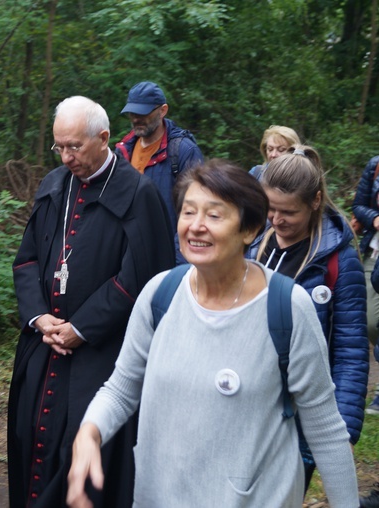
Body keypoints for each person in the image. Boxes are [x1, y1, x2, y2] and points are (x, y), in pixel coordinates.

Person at [66, 160, 359, 508]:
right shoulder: (160, 295)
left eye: (215, 215)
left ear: (249, 229)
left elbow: (325, 429)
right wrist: (89, 433)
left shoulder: (287, 307)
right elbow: (122, 388)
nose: (196, 226)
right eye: (188, 212)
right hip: (159, 497)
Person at [9, 96, 175, 507]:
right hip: (45, 346)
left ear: (103, 138)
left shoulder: (139, 194)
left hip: (104, 353)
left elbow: (143, 277)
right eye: (58, 146)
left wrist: (81, 328)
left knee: (84, 455)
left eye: (74, 147)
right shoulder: (53, 186)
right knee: (30, 439)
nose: (66, 157)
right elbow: (27, 259)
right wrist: (39, 317)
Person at [249, 145, 368, 490]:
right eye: (269, 208)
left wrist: (343, 430)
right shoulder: (254, 243)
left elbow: (350, 351)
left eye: (288, 212)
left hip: (301, 419)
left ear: (315, 201)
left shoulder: (338, 262)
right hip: (247, 407)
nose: (276, 220)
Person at [114, 80, 203, 230]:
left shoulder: (183, 151)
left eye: (143, 113)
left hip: (167, 249)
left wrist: (177, 252)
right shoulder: (122, 152)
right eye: (132, 113)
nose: (136, 119)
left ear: (162, 111)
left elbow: (196, 210)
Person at [352, 153, 379, 414]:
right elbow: (358, 205)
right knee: (370, 321)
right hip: (375, 252)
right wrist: (374, 219)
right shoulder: (375, 164)